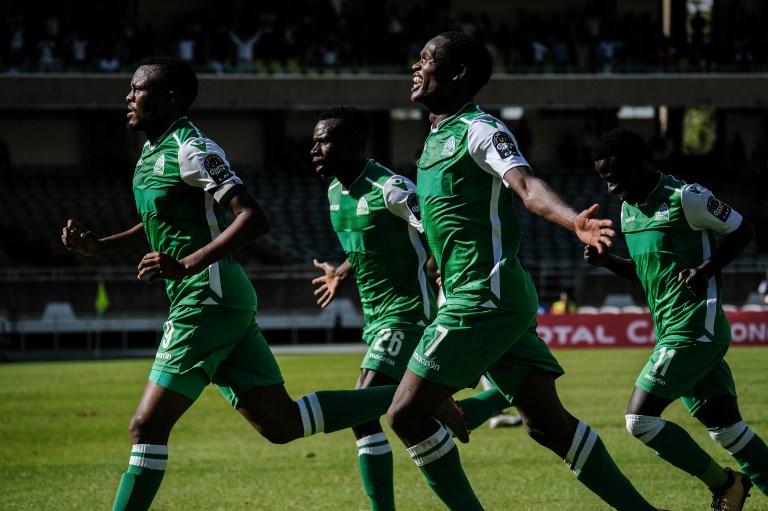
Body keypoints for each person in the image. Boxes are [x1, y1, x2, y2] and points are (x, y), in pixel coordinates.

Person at [60, 57, 399, 511]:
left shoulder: (192, 148)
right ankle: (413, 397)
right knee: (281, 425)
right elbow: (157, 220)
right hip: (216, 299)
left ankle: (415, 397)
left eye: (137, 89)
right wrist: (101, 246)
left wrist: (187, 264)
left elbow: (253, 218)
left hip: (207, 299)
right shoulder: (150, 153)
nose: (128, 96)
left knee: (146, 425)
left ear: (171, 99)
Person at [385, 31, 663, 510]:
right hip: (487, 297)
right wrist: (437, 257)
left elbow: (527, 186)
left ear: (458, 75)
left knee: (405, 414)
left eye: (427, 59)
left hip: (484, 297)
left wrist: (573, 219)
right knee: (547, 426)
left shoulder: (479, 129)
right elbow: (449, 217)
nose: (417, 65)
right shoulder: (434, 137)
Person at [310, 105, 518, 510]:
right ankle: (499, 397)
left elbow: (435, 226)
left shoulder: (390, 188)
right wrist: (342, 272)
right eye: (313, 141)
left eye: (324, 140)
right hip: (375, 318)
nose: (313, 149)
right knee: (401, 412)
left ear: (352, 144)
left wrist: (442, 263)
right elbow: (370, 243)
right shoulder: (336, 191)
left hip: (407, 313)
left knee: (363, 406)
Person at [586, 127, 768, 511]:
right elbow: (647, 273)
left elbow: (743, 230)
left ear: (639, 163)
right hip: (671, 330)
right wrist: (607, 262)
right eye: (604, 180)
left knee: (640, 420)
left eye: (615, 178)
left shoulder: (686, 197)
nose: (611, 189)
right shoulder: (628, 210)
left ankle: (725, 484)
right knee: (728, 430)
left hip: (695, 327)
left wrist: (706, 268)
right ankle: (736, 486)